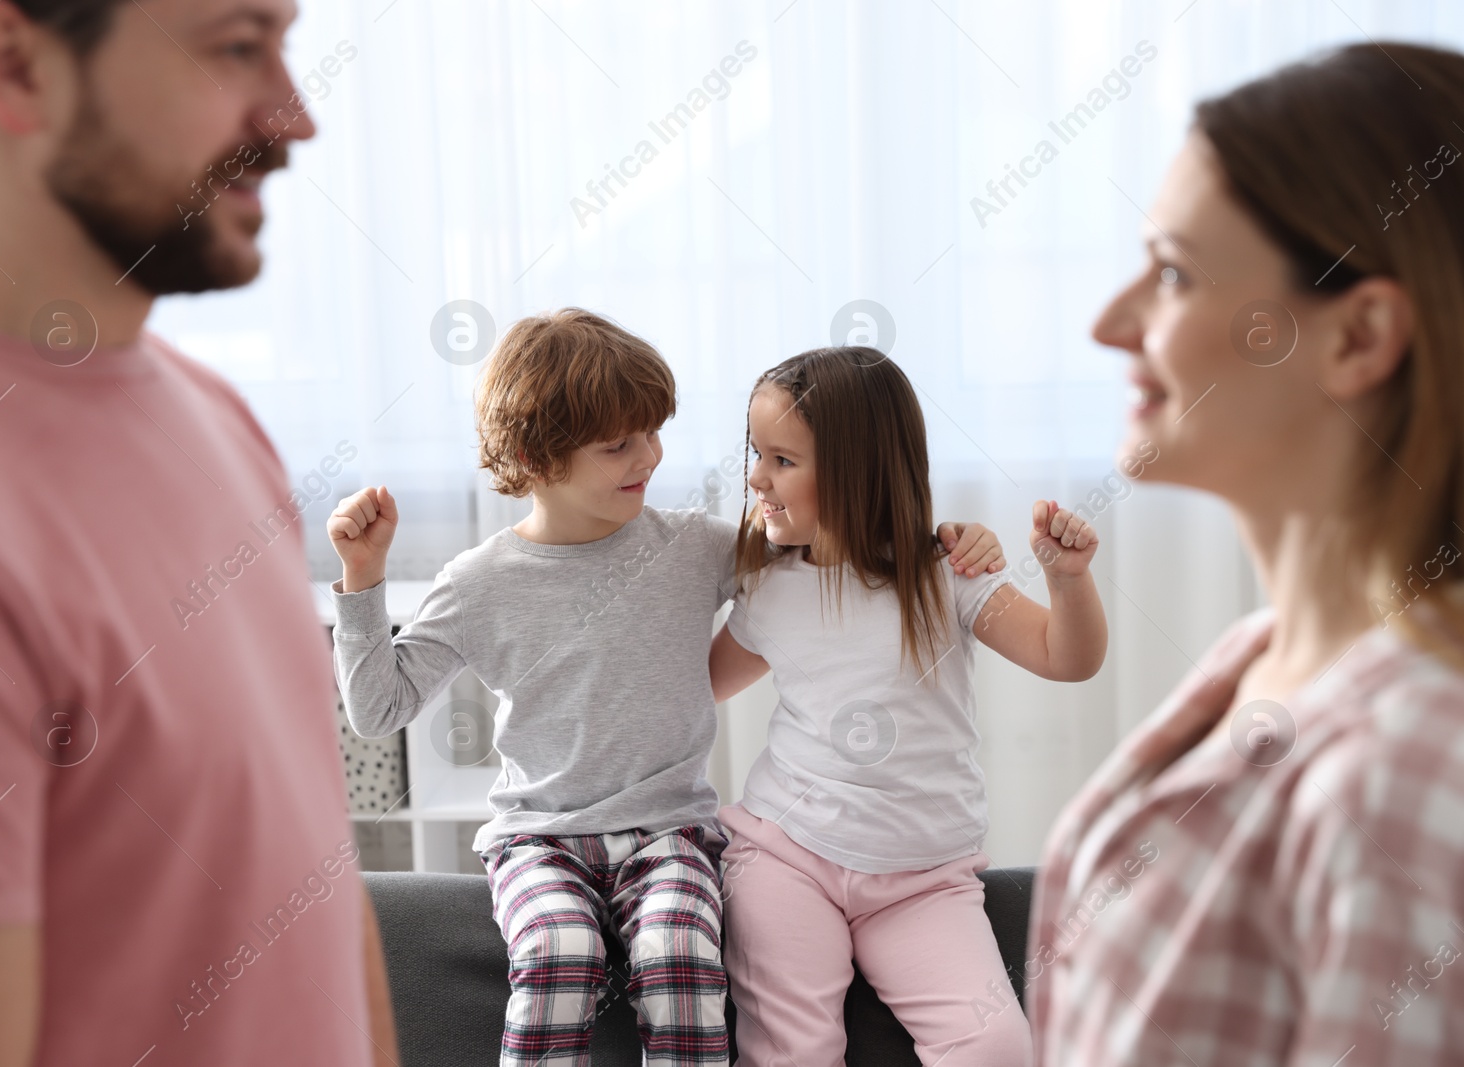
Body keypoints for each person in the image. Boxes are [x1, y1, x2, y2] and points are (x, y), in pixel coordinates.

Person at [0, 2, 397, 1064]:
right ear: (15, 64)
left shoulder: (218, 418)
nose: (294, 118)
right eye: (236, 46)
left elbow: (320, 899)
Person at [326, 310, 1008, 1066]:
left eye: (652, 431)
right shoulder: (479, 582)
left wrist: (941, 541)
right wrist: (363, 579)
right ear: (535, 454)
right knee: (559, 952)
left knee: (680, 952)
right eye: (618, 443)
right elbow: (379, 706)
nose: (648, 454)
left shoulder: (698, 548)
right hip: (539, 838)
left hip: (671, 831)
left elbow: (828, 544)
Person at [1027, 41, 1464, 1065]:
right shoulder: (1261, 656)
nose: (1108, 323)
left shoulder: (1405, 766)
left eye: (1173, 272)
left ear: (1357, 338)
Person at [707, 346, 1108, 1066]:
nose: (756, 476)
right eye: (755, 452)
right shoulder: (767, 589)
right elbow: (694, 688)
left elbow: (1066, 657)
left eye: (782, 460)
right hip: (785, 857)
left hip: (923, 879)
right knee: (792, 1050)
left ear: (857, 471)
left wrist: (1067, 580)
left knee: (995, 1047)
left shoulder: (945, 573)